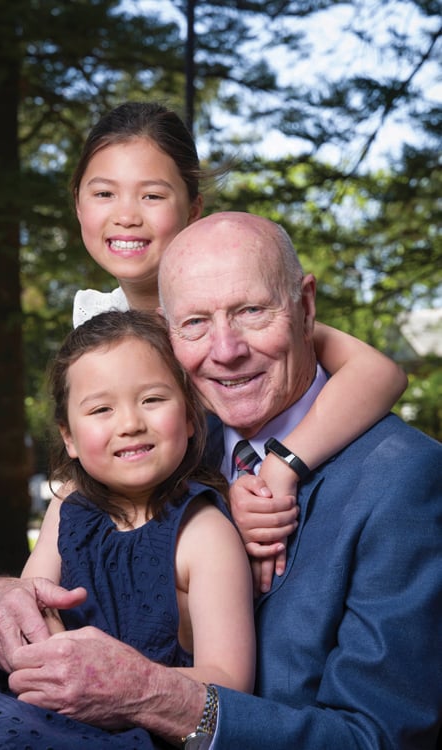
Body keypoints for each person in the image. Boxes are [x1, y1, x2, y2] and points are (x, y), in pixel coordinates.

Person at [0, 213, 442, 748]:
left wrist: (152, 694)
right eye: (194, 322)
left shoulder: (402, 480)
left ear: (306, 307)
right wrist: (0, 601)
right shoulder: (165, 445)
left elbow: (377, 737)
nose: (226, 349)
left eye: (252, 311)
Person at [68, 101, 407, 584]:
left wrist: (283, 466)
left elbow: (381, 373)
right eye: (104, 193)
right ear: (77, 202)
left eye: (152, 196)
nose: (126, 216)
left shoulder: (237, 302)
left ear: (194, 209)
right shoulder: (96, 322)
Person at [0, 309, 255, 748]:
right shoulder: (69, 507)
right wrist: (44, 651)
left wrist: (122, 682)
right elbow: (32, 604)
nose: (129, 424)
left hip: (133, 729)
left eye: (152, 399)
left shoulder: (203, 534)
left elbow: (230, 684)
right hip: (41, 704)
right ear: (68, 437)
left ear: (189, 416)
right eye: (101, 408)